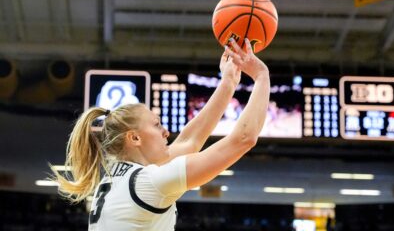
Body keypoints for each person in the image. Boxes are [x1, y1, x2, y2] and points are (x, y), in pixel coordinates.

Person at [51, 38, 271, 230]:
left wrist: (229, 83)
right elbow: (243, 139)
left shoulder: (120, 177)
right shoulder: (149, 182)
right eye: (157, 125)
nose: (166, 132)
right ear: (134, 138)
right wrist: (261, 76)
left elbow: (190, 141)